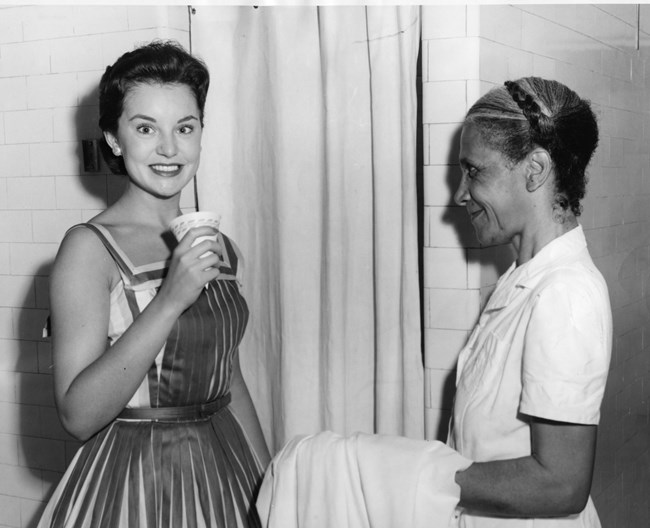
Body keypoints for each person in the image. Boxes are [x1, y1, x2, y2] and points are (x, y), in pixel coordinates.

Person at [38, 40, 270, 527]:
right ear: (115, 140)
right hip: (132, 481)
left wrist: (269, 487)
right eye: (146, 128)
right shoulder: (88, 248)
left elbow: (229, 377)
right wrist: (168, 301)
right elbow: (77, 416)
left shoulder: (219, 246)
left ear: (201, 134)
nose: (169, 148)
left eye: (184, 128)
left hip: (225, 467)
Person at [449, 77, 612, 527]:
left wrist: (415, 473)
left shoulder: (565, 294)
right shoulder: (524, 278)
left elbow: (562, 484)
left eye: (475, 171)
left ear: (535, 170)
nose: (460, 194)